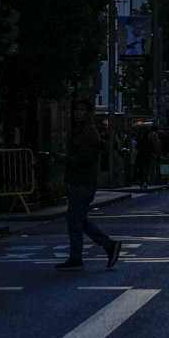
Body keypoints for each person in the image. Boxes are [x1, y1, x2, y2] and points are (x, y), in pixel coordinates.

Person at [58, 101, 122, 271]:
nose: (78, 113)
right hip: (78, 180)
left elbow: (84, 159)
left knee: (75, 220)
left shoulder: (88, 133)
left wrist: (64, 159)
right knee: (78, 219)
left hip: (82, 181)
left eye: (81, 110)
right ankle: (106, 247)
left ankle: (83, 254)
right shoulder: (82, 131)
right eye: (76, 109)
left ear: (88, 113)